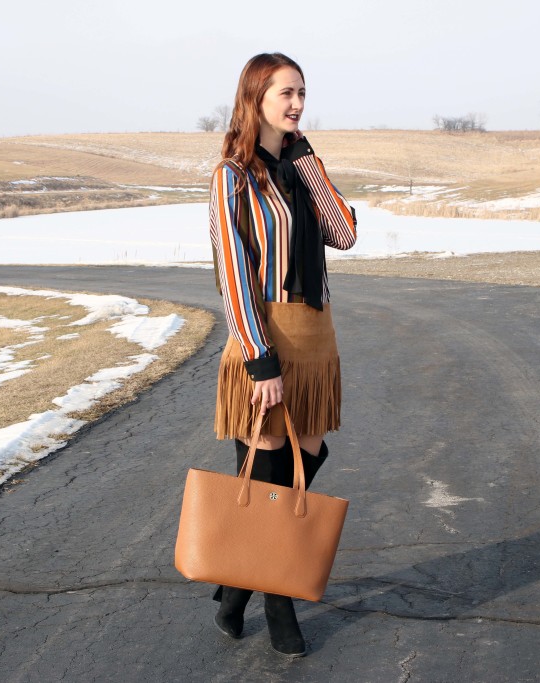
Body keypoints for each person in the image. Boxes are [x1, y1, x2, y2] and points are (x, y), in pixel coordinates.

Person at [208, 52, 357, 658]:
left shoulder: (299, 165)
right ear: (255, 98)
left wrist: (307, 163)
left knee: (309, 453)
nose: (296, 103)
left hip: (316, 337)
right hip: (265, 338)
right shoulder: (232, 176)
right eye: (284, 93)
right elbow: (233, 274)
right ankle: (277, 601)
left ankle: (237, 585)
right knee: (267, 465)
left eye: (301, 92)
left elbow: (343, 232)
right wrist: (258, 361)